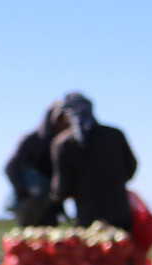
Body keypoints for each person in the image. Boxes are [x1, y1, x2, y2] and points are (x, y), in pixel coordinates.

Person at [50, 92, 137, 230]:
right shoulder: (114, 135)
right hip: (118, 209)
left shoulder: (62, 143)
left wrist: (57, 198)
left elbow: (62, 185)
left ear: (67, 115)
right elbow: (131, 166)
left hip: (87, 213)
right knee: (121, 247)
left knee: (91, 248)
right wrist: (114, 184)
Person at [3, 101, 67, 227]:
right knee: (29, 239)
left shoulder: (65, 143)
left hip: (50, 205)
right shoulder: (32, 140)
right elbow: (10, 167)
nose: (64, 124)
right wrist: (22, 191)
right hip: (30, 203)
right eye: (61, 119)